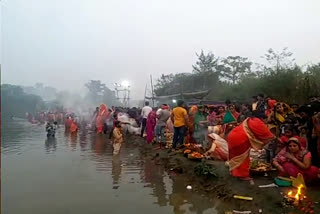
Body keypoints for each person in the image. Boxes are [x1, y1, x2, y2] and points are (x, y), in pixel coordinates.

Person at [227, 117, 274, 182]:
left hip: (233, 135)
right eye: (266, 118)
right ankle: (242, 175)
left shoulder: (252, 120)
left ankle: (234, 172)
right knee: (243, 158)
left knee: (235, 157)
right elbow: (267, 136)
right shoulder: (258, 123)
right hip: (240, 138)